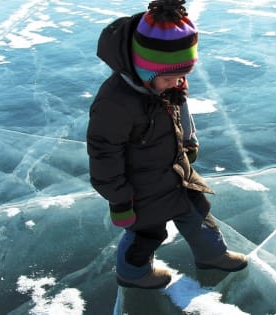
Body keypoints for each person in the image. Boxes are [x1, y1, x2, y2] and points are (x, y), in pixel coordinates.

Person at [86, 0, 248, 289]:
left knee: (199, 213)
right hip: (141, 188)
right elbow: (103, 153)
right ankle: (132, 273)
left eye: (181, 76)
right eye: (168, 78)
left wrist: (189, 141)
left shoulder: (169, 84)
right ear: (143, 70)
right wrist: (120, 199)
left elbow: (180, 111)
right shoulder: (115, 102)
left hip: (176, 172)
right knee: (148, 233)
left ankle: (214, 255)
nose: (176, 83)